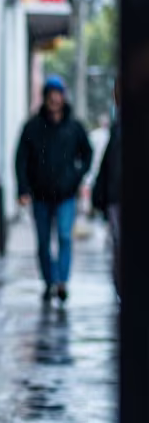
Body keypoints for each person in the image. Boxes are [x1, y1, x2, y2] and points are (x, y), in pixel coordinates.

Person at [15, 75, 93, 303]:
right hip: (39, 195)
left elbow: (87, 154)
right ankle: (49, 282)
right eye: (50, 94)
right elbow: (21, 159)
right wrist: (23, 189)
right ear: (46, 97)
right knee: (42, 242)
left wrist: (76, 177)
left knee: (65, 237)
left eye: (58, 94)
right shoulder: (32, 127)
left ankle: (62, 282)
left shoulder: (75, 127)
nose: (54, 99)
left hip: (66, 195)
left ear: (63, 97)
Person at [92, 76, 122, 297]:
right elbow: (108, 163)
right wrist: (100, 196)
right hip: (117, 198)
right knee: (120, 245)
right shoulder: (118, 125)